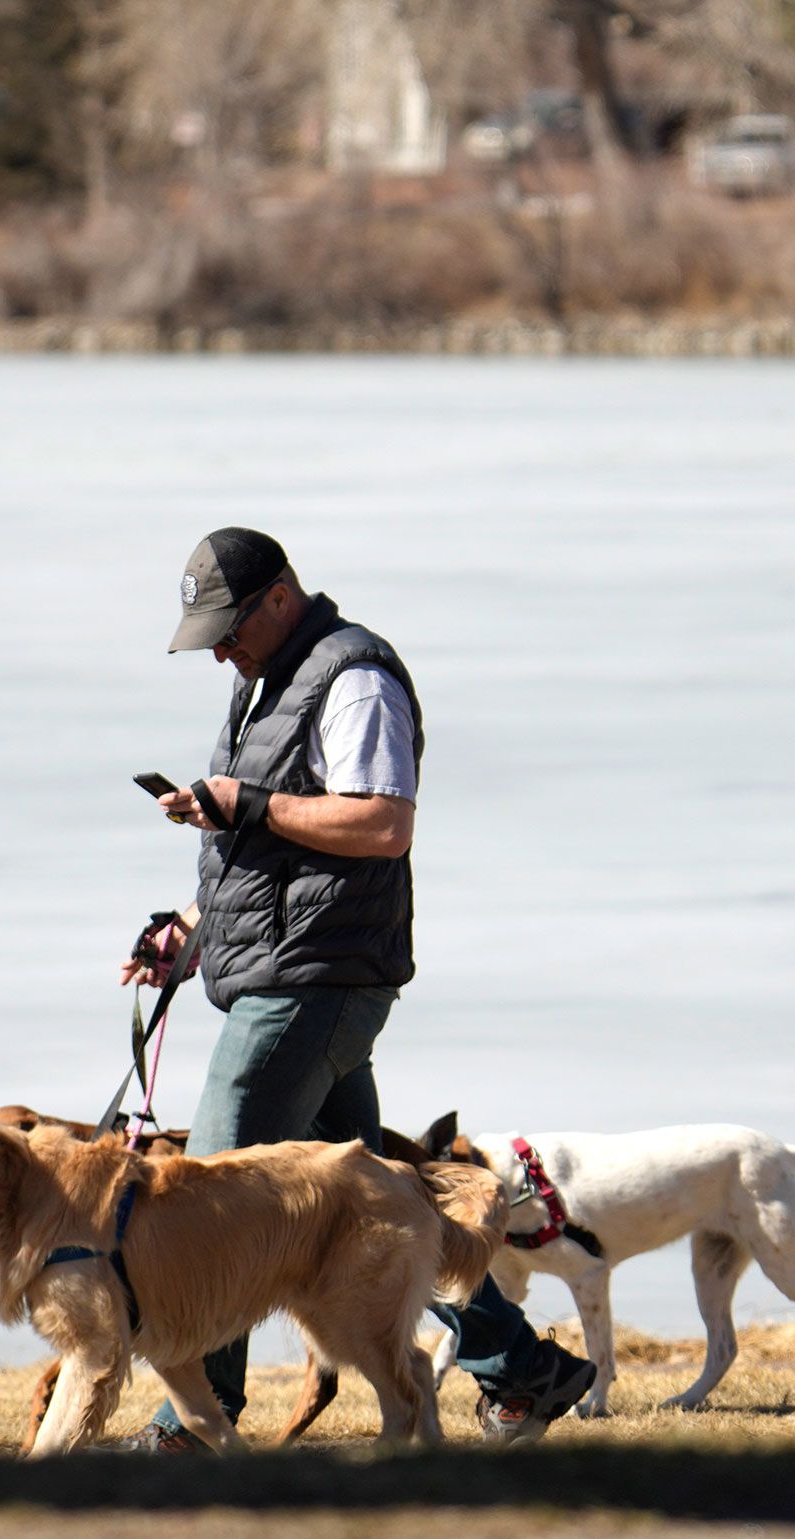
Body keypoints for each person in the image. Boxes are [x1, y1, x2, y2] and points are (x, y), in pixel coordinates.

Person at [115, 526, 594, 1449]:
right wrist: (190, 931)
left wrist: (245, 802)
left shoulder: (353, 677)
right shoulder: (261, 683)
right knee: (381, 1201)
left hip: (318, 980)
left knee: (216, 1185)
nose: (217, 647)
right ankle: (523, 1369)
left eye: (226, 626)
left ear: (280, 597)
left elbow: (383, 823)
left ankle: (192, 1426)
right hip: (288, 969)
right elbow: (258, 850)